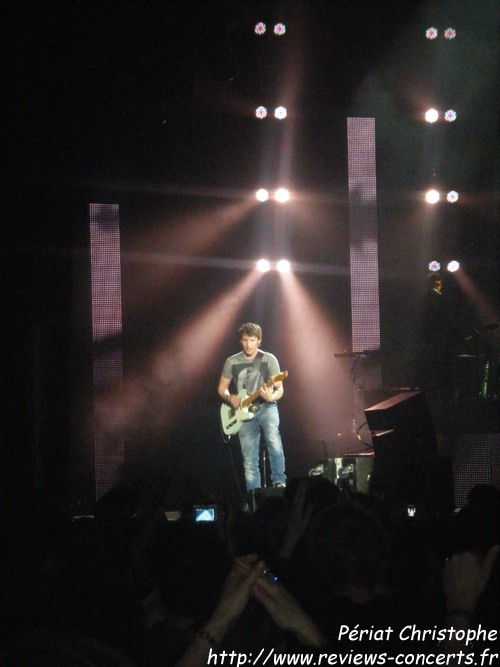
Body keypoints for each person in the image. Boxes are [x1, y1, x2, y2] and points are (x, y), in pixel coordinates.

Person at [218, 322, 286, 492]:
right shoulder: (231, 361)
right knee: (249, 458)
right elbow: (222, 387)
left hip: (266, 407)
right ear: (240, 341)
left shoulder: (269, 359)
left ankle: (279, 482)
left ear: (259, 341)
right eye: (245, 340)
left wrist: (272, 396)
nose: (248, 344)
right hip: (243, 413)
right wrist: (229, 397)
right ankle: (253, 495)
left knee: (273, 438)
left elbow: (280, 389)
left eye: (252, 340)